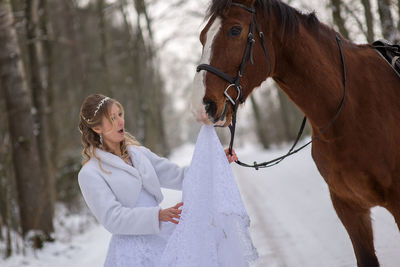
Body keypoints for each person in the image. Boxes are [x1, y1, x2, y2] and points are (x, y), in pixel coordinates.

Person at [77, 94, 238, 266]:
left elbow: (180, 176)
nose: (120, 121)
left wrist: (216, 161)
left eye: (120, 114)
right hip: (132, 253)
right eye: (112, 118)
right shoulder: (90, 173)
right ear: (97, 128)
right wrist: (157, 215)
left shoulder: (139, 153)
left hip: (164, 240)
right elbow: (113, 219)